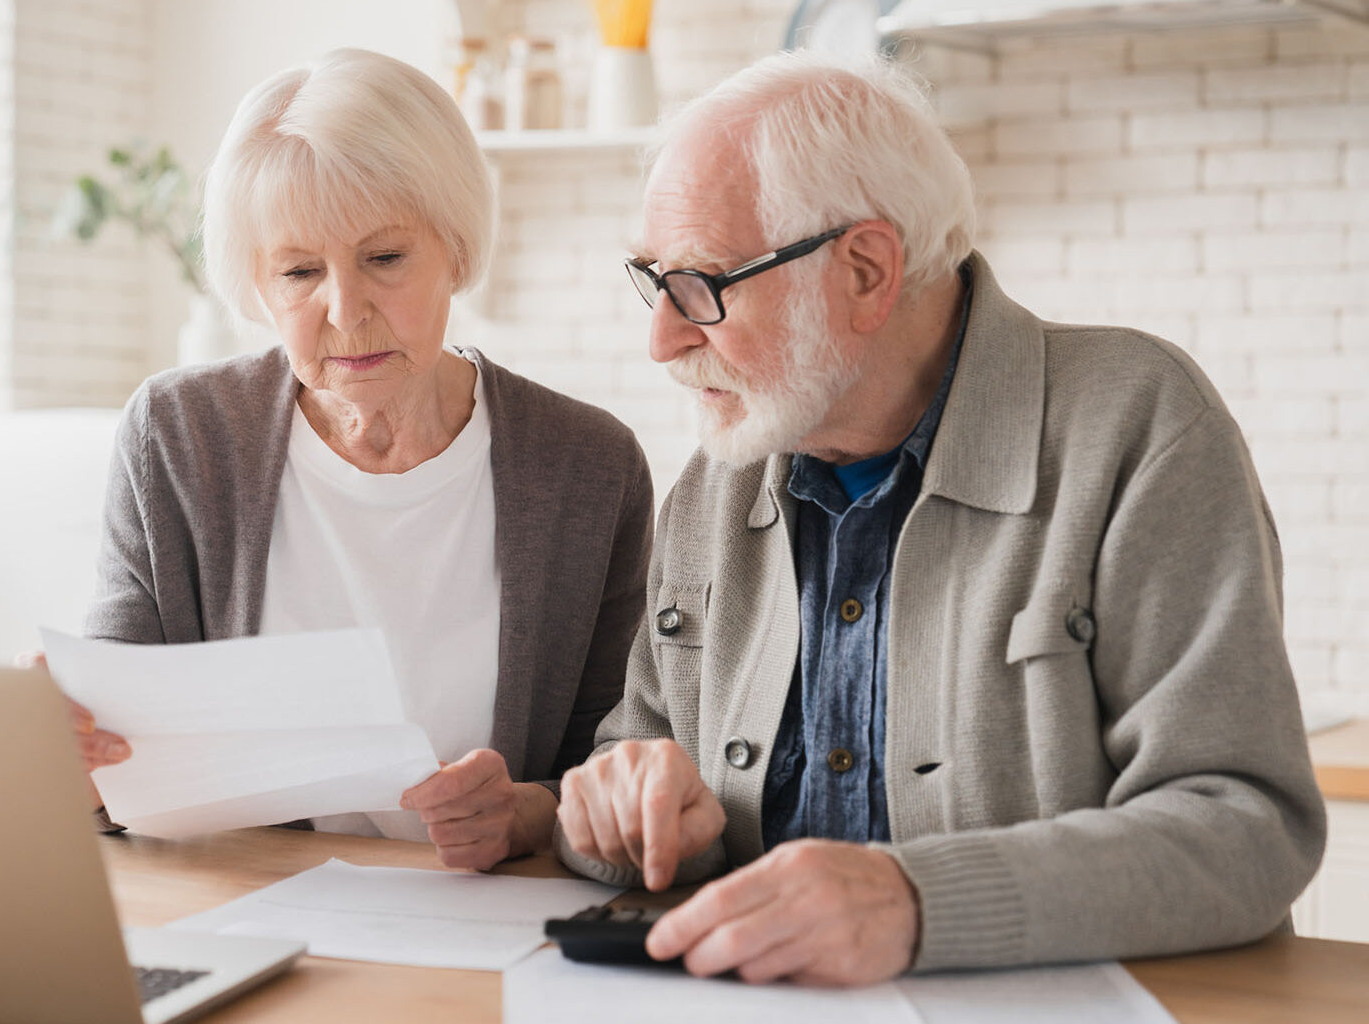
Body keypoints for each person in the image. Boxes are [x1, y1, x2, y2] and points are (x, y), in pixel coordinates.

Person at [554, 52, 1327, 984]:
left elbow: (1247, 828)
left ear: (868, 270)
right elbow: (632, 758)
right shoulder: (715, 483)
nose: (662, 339)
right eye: (654, 279)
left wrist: (916, 903)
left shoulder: (1139, 425)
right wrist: (621, 813)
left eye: (703, 284)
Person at [67, 48, 653, 871]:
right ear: (257, 285)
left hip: (483, 914)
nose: (345, 311)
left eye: (384, 259)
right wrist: (70, 749)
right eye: (300, 271)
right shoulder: (176, 438)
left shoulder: (589, 467)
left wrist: (525, 814)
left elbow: (621, 760)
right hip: (240, 907)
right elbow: (111, 759)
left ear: (454, 246)